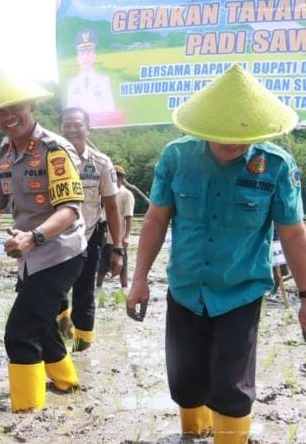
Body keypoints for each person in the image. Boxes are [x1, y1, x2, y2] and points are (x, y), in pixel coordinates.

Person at [126, 64, 306, 442]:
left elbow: (292, 233)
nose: (234, 142)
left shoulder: (275, 165)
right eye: (223, 133)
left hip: (240, 291)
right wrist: (139, 279)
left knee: (232, 385)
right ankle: (194, 434)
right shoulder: (177, 157)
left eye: (244, 135)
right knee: (184, 380)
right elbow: (156, 219)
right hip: (186, 288)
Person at [0, 70, 86, 412]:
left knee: (20, 332)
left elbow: (70, 210)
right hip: (27, 255)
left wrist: (34, 236)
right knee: (42, 323)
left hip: (60, 252)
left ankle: (27, 411)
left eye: (15, 107)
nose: (8, 116)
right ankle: (66, 382)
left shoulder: (54, 150)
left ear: (31, 106)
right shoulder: (1, 157)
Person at [56, 107, 123, 351]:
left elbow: (112, 207)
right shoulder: (48, 159)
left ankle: (82, 347)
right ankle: (60, 336)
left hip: (88, 237)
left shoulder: (101, 163)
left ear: (88, 129)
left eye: (77, 125)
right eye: (67, 125)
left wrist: (117, 248)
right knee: (54, 290)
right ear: (60, 129)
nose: (72, 130)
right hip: (55, 239)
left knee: (84, 292)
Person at [64, 29, 125, 127]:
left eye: (89, 53)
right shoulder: (72, 84)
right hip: (80, 129)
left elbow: (110, 110)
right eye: (82, 53)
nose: (85, 57)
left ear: (94, 56)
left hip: (102, 129)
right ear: (77, 58)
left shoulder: (104, 81)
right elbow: (70, 113)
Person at [97, 165, 134, 289]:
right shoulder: (104, 193)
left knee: (122, 268)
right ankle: (98, 289)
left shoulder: (126, 194)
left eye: (116, 177)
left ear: (121, 178)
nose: (113, 179)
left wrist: (126, 236)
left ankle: (124, 290)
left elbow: (128, 216)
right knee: (101, 267)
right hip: (105, 236)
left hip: (118, 237)